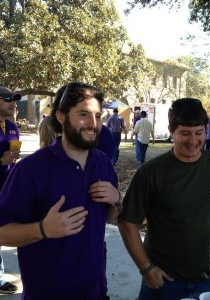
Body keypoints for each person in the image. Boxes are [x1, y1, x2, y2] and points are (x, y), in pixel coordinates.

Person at [0, 82, 122, 300]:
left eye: (97, 115)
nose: (93, 124)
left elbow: (109, 216)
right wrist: (43, 229)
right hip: (47, 293)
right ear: (61, 116)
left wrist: (116, 200)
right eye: (83, 114)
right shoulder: (30, 169)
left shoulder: (102, 163)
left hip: (96, 291)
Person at [118, 98, 210, 300]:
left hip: (208, 278)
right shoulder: (151, 172)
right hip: (163, 282)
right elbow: (126, 221)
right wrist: (146, 269)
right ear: (172, 131)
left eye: (199, 133)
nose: (193, 141)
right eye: (185, 133)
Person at [0, 86, 20, 294]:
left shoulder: (13, 127)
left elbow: (12, 158)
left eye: (14, 99)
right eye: (7, 98)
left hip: (6, 189)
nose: (13, 102)